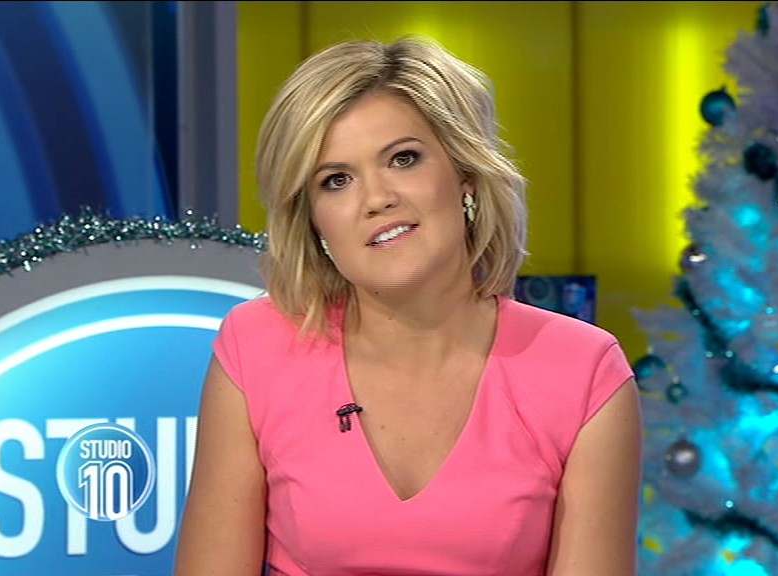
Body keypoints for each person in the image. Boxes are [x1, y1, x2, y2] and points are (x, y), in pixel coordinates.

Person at [174, 36, 642, 576]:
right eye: (336, 181)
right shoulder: (256, 348)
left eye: (403, 159)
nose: (377, 198)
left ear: (466, 176)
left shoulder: (583, 372)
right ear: (313, 220)